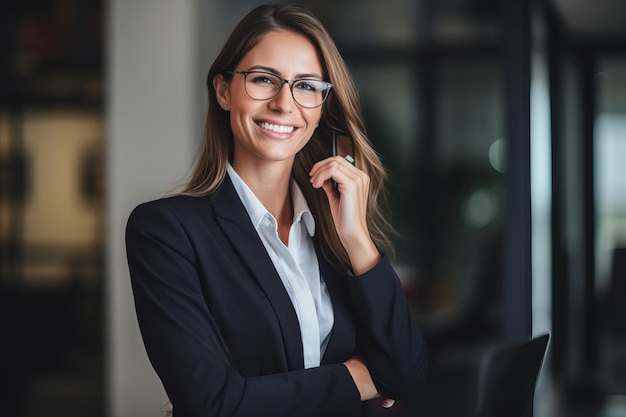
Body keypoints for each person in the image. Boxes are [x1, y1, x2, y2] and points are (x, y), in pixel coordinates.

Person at [125, 4, 427, 416]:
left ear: (322, 108)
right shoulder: (165, 232)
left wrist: (357, 238)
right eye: (264, 79)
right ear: (223, 90)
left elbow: (407, 372)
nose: (285, 104)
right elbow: (213, 404)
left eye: (306, 86)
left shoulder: (335, 232)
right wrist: (360, 378)